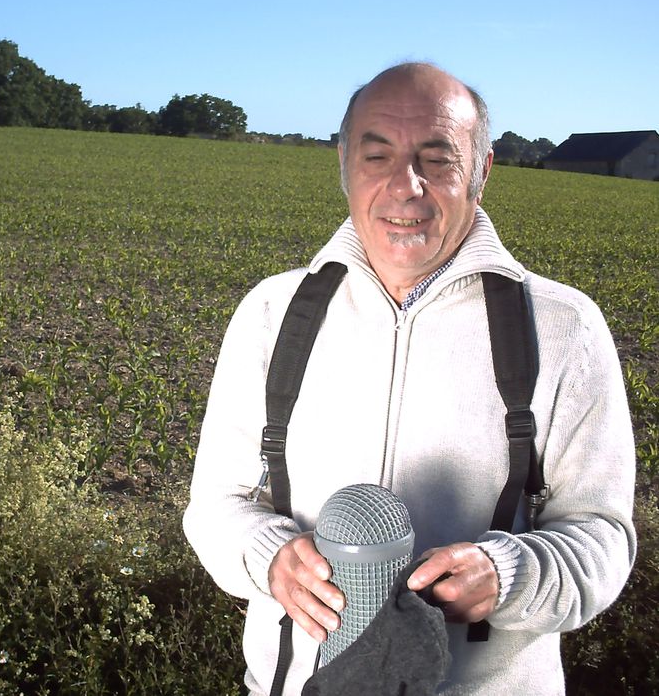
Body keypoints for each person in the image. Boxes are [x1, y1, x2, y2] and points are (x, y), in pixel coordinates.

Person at [183, 62, 636, 695]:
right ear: (344, 164)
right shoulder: (271, 314)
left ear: (481, 171)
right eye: (378, 156)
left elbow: (602, 539)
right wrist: (270, 556)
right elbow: (213, 507)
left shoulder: (564, 329)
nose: (406, 187)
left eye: (437, 158)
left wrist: (506, 575)